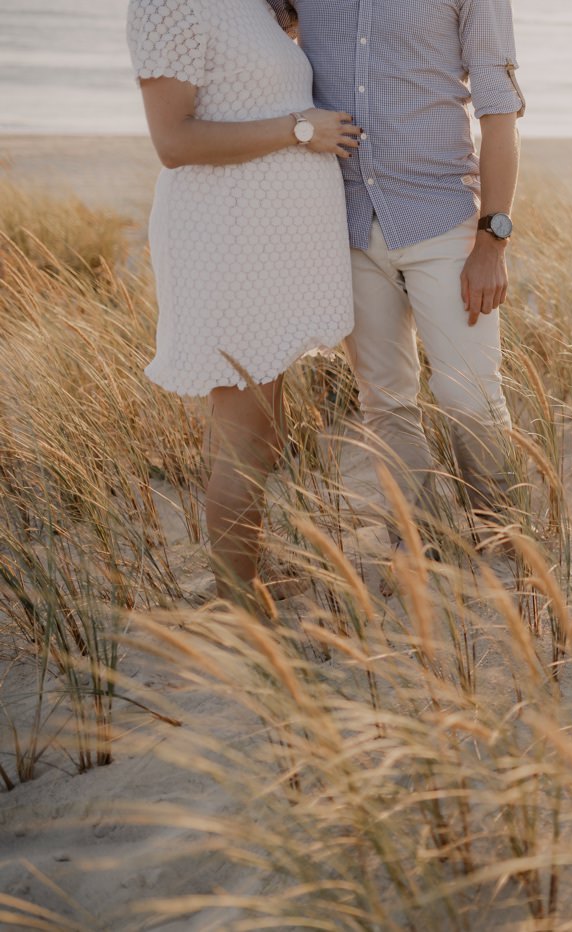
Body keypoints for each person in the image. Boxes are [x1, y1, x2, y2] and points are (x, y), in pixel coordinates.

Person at [267, 0, 525, 552]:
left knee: (470, 397)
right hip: (346, 223)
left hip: (443, 217)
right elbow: (246, 32)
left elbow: (498, 111)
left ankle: (503, 539)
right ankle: (422, 542)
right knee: (384, 400)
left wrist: (492, 241)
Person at [127, 0, 362, 602]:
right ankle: (236, 598)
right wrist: (299, 129)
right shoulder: (168, 3)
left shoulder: (253, 5)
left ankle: (244, 571)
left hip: (267, 248)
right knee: (242, 430)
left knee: (265, 427)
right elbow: (173, 140)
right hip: (226, 240)